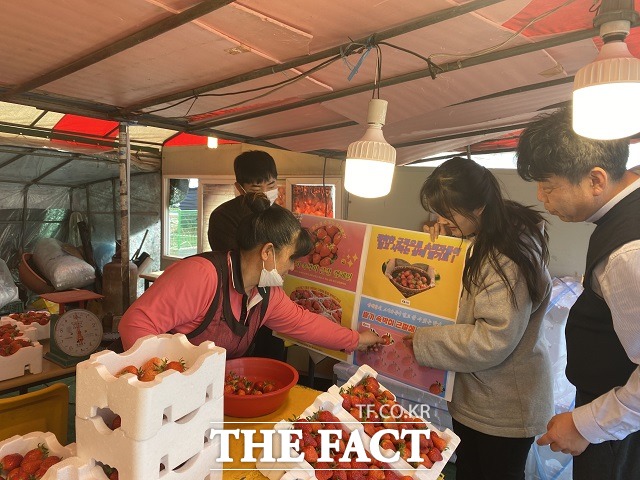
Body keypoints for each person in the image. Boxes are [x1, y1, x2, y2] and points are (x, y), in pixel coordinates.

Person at [405, 157, 553, 480]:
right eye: (438, 212)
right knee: (470, 470)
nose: (441, 219)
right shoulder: (488, 236)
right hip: (480, 398)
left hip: (504, 405)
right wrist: (443, 245)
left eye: (448, 212)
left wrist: (423, 340)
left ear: (479, 208)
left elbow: (492, 340)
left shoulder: (507, 255)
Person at [516, 106, 640, 480]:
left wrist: (587, 424)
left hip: (621, 425)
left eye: (549, 186)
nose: (542, 198)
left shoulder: (627, 255)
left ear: (596, 179)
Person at [119, 193, 380, 357]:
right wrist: (168, 381)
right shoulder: (202, 276)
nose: (292, 268)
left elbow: (306, 324)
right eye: (290, 258)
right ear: (268, 252)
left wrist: (356, 340)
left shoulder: (267, 294)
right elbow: (135, 324)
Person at [208, 150, 283, 360]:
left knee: (272, 358)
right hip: (237, 304)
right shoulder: (222, 217)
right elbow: (236, 264)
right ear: (239, 188)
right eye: (256, 187)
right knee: (239, 362)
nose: (266, 192)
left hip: (274, 303)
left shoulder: (280, 216)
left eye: (271, 185)